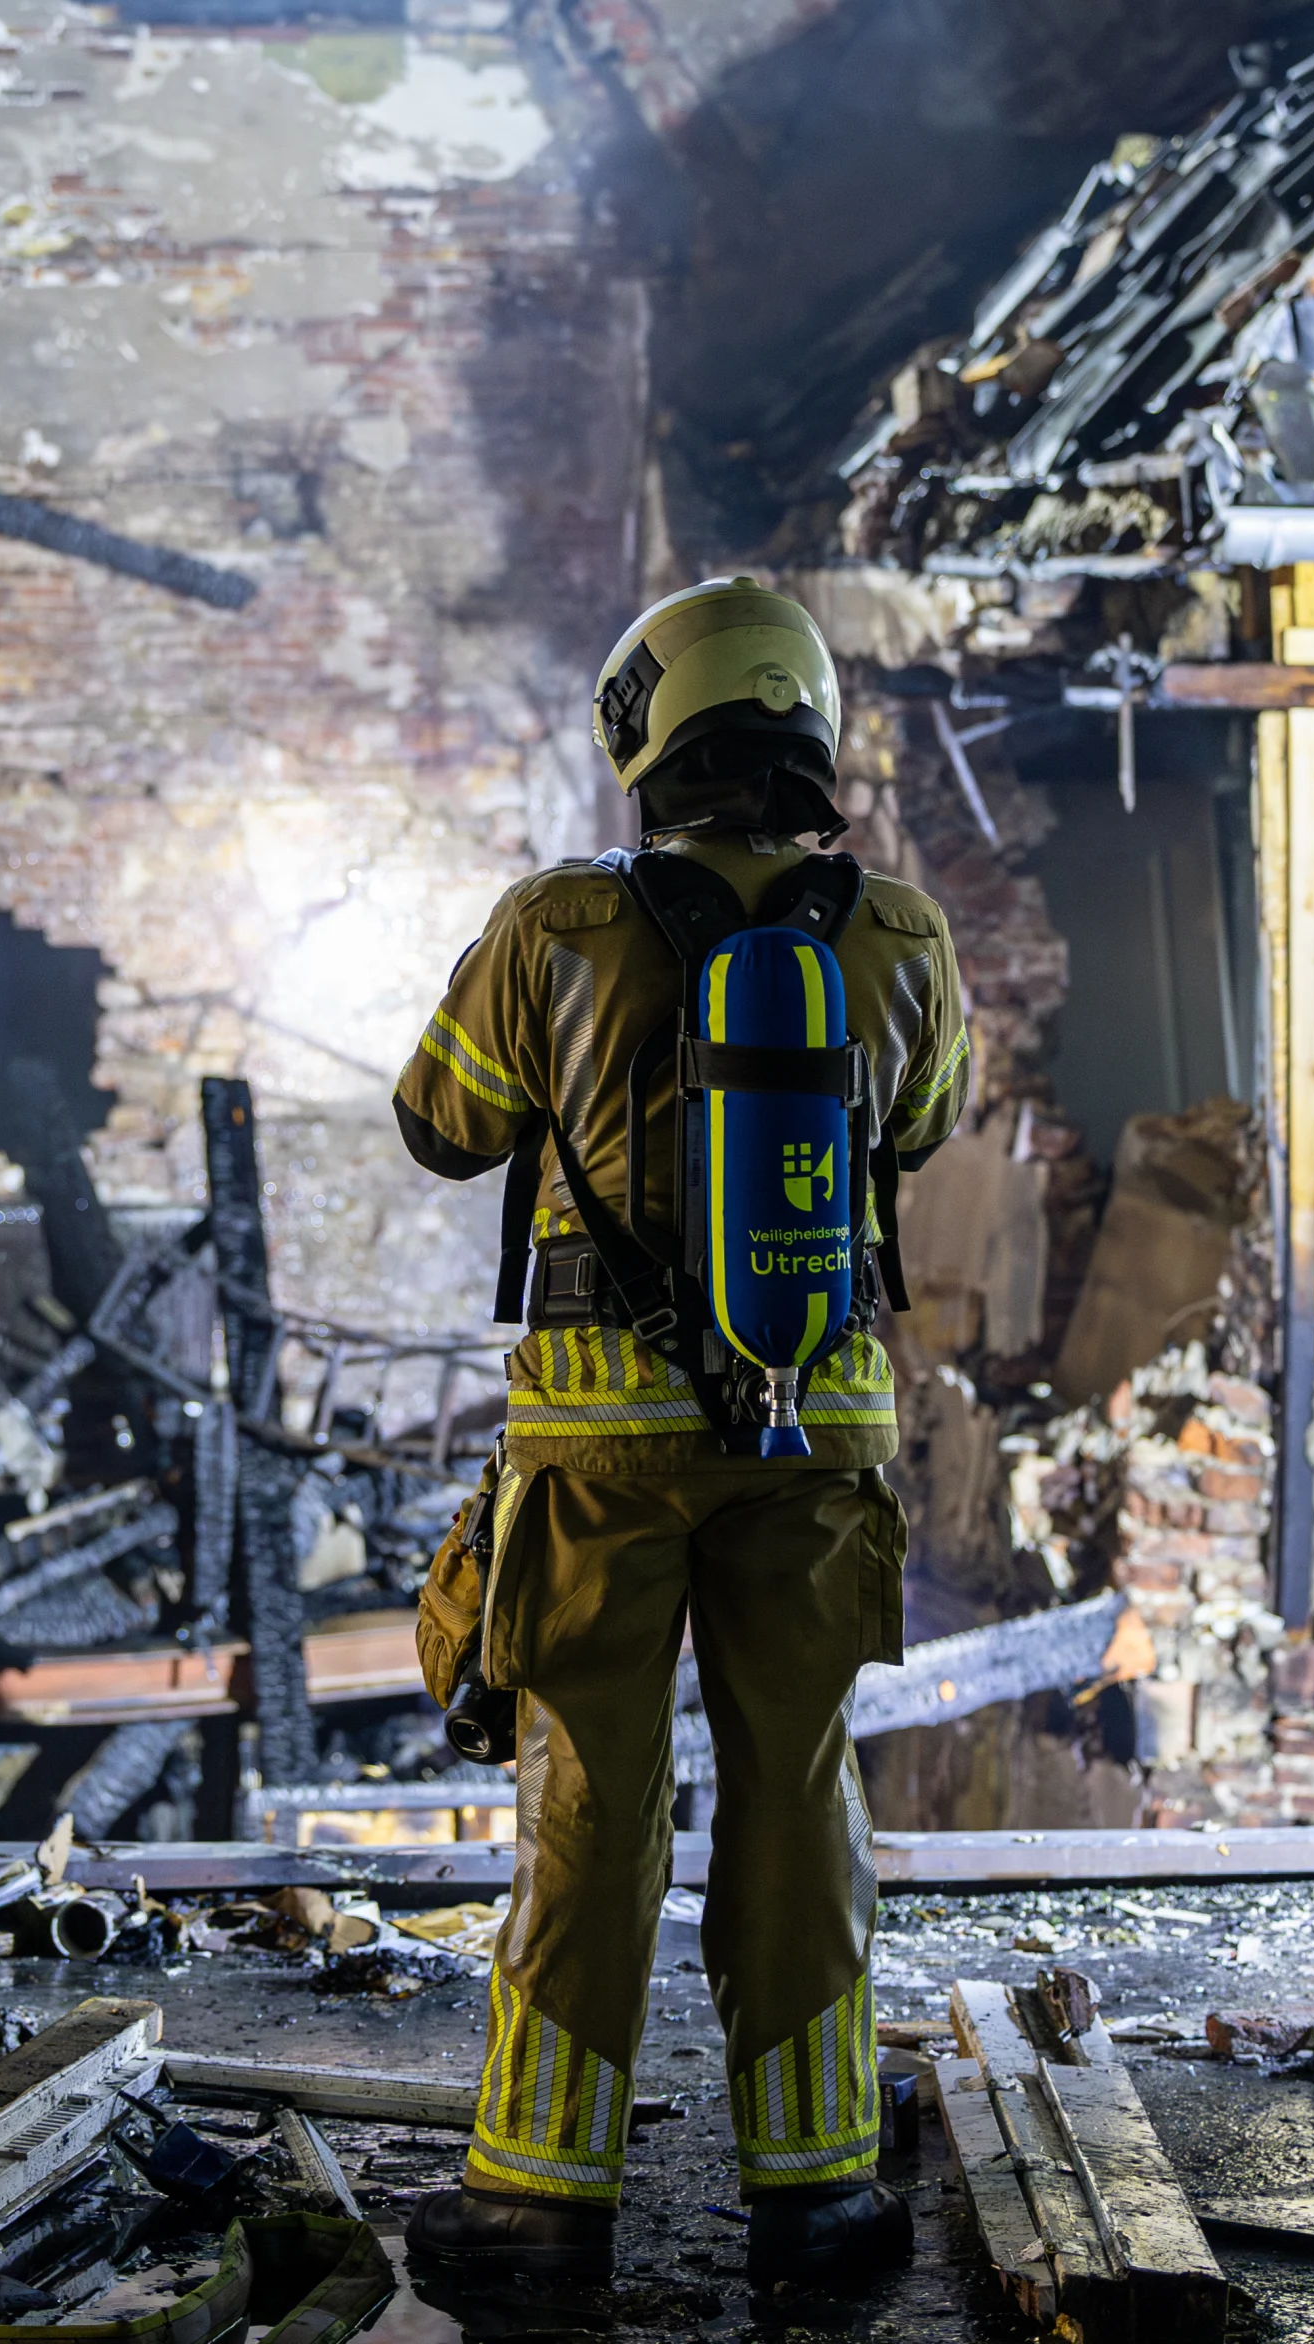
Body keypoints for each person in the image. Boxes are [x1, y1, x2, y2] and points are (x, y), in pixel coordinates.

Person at [386, 575, 969, 2305]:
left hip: (602, 1448)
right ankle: (821, 2201)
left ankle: (540, 2205)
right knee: (798, 1793)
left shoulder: (554, 925)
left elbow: (441, 1126)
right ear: (810, 728)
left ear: (651, 732)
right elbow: (928, 1126)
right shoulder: (905, 937)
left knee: (590, 1795)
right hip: (822, 1433)